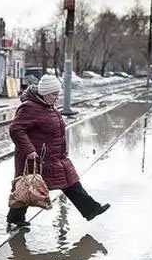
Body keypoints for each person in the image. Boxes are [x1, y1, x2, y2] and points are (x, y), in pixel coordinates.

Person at [6, 74, 110, 230]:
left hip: (54, 156)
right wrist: (29, 150)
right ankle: (15, 217)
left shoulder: (48, 106)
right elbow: (16, 129)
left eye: (57, 94)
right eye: (54, 94)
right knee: (27, 187)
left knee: (70, 181)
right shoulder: (29, 107)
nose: (57, 98)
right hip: (37, 158)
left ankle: (91, 209)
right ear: (46, 93)